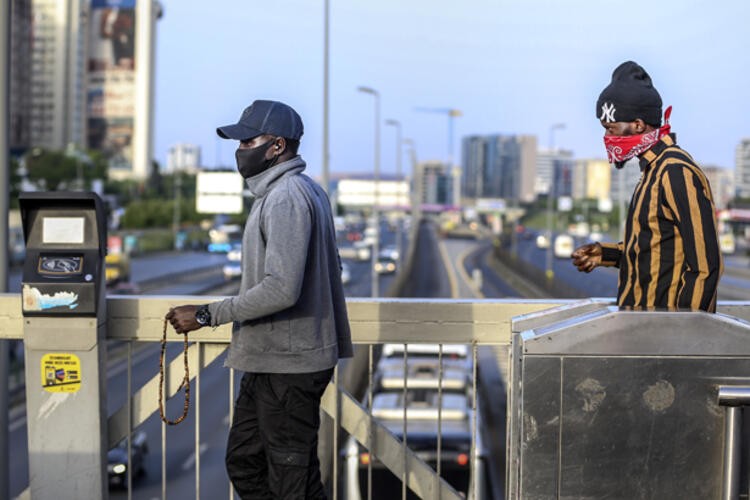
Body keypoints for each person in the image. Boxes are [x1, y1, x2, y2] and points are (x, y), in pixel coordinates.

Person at [166, 99, 353, 499]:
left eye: (248, 140)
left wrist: (206, 314)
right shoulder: (302, 192)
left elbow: (282, 288)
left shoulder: (286, 198)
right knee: (247, 462)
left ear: (278, 147)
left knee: (290, 482)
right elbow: (330, 268)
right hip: (274, 359)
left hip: (289, 365)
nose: (240, 150)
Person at [571, 61, 722, 312]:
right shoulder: (651, 172)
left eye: (611, 128)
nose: (607, 139)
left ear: (638, 125)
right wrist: (605, 254)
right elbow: (654, 251)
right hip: (640, 329)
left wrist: (687, 334)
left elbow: (706, 265)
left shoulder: (675, 171)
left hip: (663, 338)